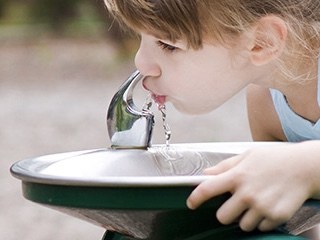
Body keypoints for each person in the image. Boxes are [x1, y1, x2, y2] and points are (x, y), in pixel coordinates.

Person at [104, 0, 320, 238]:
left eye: (168, 45)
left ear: (262, 42)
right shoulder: (265, 102)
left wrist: (305, 165)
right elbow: (291, 218)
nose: (141, 63)